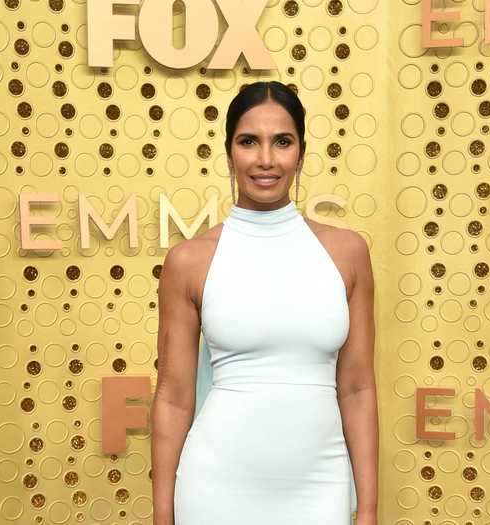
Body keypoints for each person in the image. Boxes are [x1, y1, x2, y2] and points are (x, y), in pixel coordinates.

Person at [151, 81, 378, 525]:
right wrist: (163, 515)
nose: (266, 159)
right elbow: (174, 398)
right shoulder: (189, 260)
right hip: (215, 484)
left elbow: (358, 388)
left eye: (282, 142)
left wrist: (367, 509)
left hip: (319, 482)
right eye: (249, 141)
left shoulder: (347, 253)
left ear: (302, 153)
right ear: (230, 152)